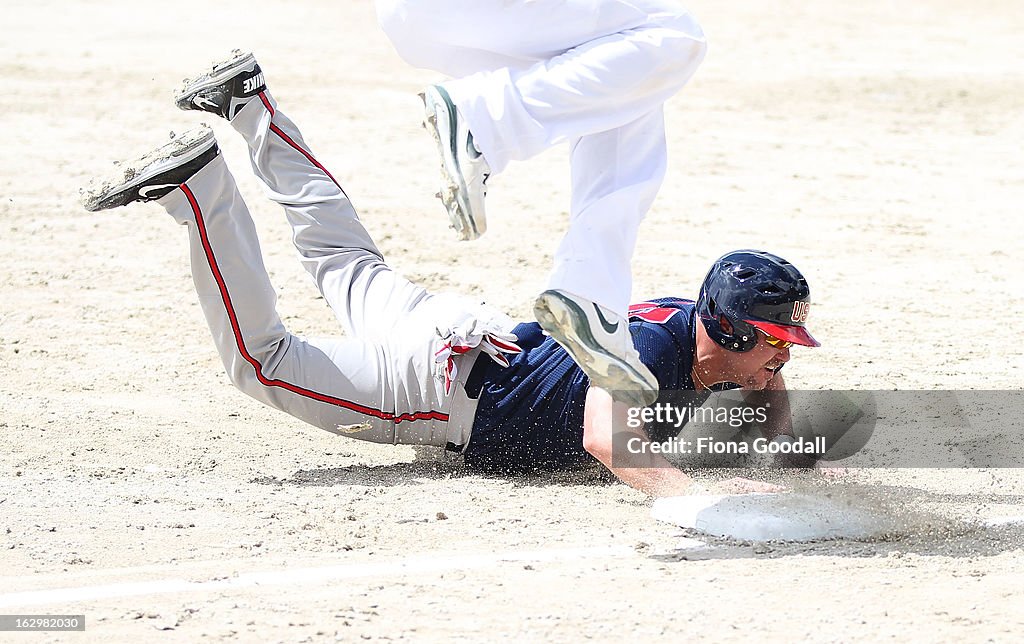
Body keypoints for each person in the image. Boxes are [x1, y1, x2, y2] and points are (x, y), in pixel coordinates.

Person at [82, 53, 819, 498]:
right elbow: (606, 440)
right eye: (771, 341)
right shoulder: (653, 355)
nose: (780, 358)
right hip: (434, 390)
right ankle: (198, 187)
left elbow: (767, 382)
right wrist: (701, 502)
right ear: (725, 326)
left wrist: (784, 462)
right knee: (260, 362)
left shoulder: (701, 331)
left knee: (346, 260)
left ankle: (248, 102)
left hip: (459, 332)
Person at [374, 0, 709, 408]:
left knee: (635, 83)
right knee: (671, 35)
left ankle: (590, 291)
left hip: (436, 19)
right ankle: (485, 121)